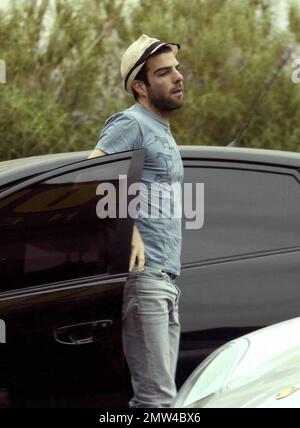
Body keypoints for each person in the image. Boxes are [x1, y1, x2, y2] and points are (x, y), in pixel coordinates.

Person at [89, 34, 184, 408]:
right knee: (156, 401)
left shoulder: (161, 129)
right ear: (140, 86)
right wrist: (125, 231)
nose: (178, 76)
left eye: (177, 68)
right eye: (164, 73)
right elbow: (91, 174)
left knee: (160, 400)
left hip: (166, 280)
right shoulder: (131, 123)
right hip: (144, 281)